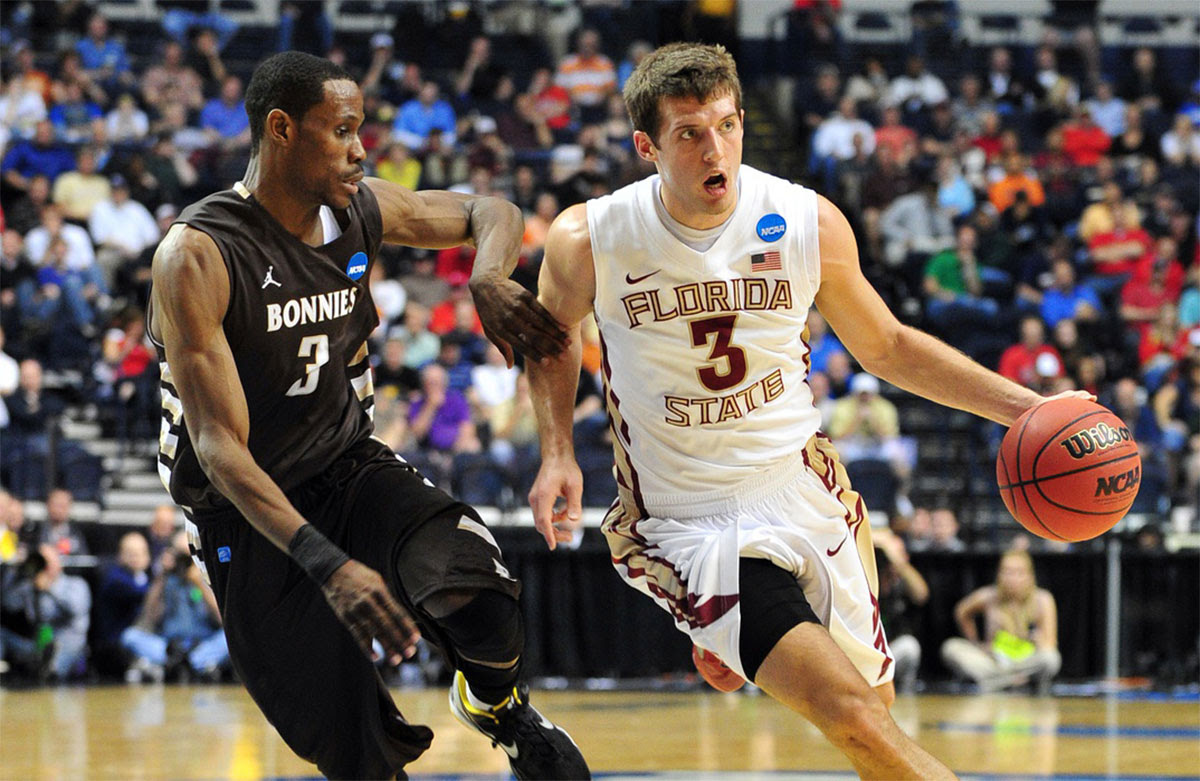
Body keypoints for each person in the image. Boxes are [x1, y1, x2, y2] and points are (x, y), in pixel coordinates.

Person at [517, 42, 1090, 778]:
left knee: (873, 714)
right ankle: (729, 628)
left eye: (726, 125)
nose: (712, 147)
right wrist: (558, 449)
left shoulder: (803, 219)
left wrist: (1032, 407)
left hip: (805, 489)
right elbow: (551, 337)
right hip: (687, 517)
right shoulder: (588, 236)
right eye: (689, 132)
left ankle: (730, 639)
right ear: (646, 145)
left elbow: (886, 346)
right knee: (854, 718)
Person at [146, 52, 585, 780]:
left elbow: (490, 210)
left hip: (348, 465)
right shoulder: (199, 252)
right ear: (281, 129)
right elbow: (220, 447)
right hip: (244, 510)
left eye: (362, 129)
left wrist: (487, 273)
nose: (361, 148)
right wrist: (328, 563)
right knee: (359, 757)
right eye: (342, 130)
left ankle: (500, 710)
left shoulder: (361, 207)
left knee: (476, 589)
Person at [941, 549, 1061, 694]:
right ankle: (1011, 682)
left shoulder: (1042, 599)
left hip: (1026, 662)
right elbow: (961, 611)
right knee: (951, 648)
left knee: (1051, 659)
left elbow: (1050, 644)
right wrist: (976, 643)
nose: (1012, 578)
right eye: (1007, 572)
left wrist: (1028, 635)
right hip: (995, 662)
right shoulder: (990, 596)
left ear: (1030, 576)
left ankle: (997, 682)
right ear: (999, 574)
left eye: (1019, 572)